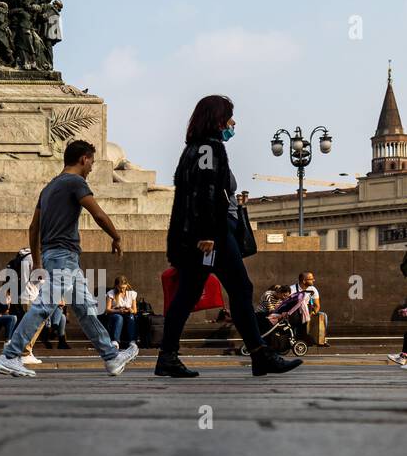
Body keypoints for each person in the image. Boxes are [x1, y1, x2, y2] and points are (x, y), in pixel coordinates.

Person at [158, 95, 301, 378]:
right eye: (229, 118)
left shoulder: (195, 149)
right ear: (217, 119)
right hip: (212, 236)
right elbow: (206, 192)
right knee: (239, 289)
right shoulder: (209, 149)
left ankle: (168, 357)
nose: (233, 123)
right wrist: (208, 234)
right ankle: (260, 356)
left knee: (188, 295)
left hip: (200, 236)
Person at [0, 139, 139, 378]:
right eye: (91, 161)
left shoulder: (49, 188)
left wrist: (39, 262)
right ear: (84, 159)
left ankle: (111, 358)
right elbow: (98, 214)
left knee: (85, 308)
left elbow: (33, 228)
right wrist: (116, 237)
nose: (92, 167)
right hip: (64, 256)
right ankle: (10, 355)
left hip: (55, 255)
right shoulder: (75, 182)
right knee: (45, 305)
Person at [288, 272, 328, 347]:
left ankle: (320, 339)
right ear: (304, 281)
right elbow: (287, 305)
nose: (314, 280)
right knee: (296, 318)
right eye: (311, 279)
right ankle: (297, 337)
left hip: (308, 312)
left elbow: (317, 306)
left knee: (323, 315)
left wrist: (311, 313)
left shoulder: (312, 289)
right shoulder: (292, 289)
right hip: (294, 312)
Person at [104, 275, 139, 348]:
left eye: (124, 287)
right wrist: (118, 310)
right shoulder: (111, 293)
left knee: (131, 317)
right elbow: (107, 309)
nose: (122, 290)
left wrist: (129, 310)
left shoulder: (131, 293)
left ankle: (132, 341)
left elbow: (135, 311)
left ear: (127, 285)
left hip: (127, 313)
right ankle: (115, 341)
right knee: (119, 318)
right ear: (116, 286)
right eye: (120, 287)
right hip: (115, 313)